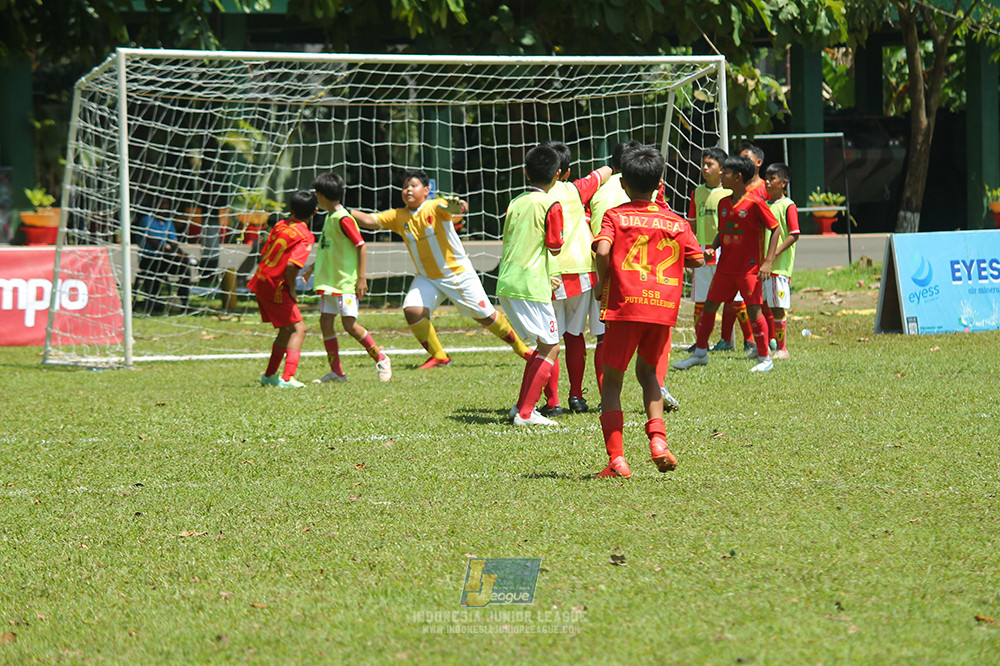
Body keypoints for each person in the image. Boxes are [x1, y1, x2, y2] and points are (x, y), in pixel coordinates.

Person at [592, 145, 704, 478]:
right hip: (661, 309)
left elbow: (602, 249)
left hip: (625, 306)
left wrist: (602, 283)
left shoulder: (615, 216)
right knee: (649, 374)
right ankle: (658, 442)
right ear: (659, 184)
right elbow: (697, 259)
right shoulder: (675, 221)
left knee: (612, 382)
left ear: (623, 183)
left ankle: (617, 461)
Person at [351, 169, 531, 368]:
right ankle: (440, 357)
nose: (408, 190)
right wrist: (342, 210)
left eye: (413, 186)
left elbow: (457, 210)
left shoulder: (435, 206)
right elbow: (369, 221)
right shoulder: (398, 216)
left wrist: (460, 206)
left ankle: (523, 350)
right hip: (427, 278)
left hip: (457, 273)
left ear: (426, 190)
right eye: (405, 187)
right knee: (412, 311)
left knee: (486, 316)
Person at [672, 155, 780, 373]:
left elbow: (775, 228)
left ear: (738, 177)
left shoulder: (755, 202)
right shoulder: (723, 203)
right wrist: (713, 247)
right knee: (710, 306)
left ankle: (764, 357)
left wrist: (768, 261)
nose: (722, 174)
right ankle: (700, 353)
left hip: (749, 269)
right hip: (725, 267)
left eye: (726, 172)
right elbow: (723, 231)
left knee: (754, 310)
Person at [539, 140, 612, 416]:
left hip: (550, 274)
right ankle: (576, 396)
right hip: (582, 272)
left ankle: (552, 402)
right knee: (574, 335)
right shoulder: (575, 189)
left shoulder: (536, 196)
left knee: (549, 339)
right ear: (565, 172)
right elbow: (604, 171)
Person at [497, 144, 565, 427]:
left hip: (508, 281)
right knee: (551, 347)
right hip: (530, 285)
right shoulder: (551, 204)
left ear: (526, 173)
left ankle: (522, 406)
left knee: (543, 346)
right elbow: (555, 245)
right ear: (558, 174)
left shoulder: (515, 202)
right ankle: (526, 414)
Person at [303, 172, 392, 383]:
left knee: (350, 325)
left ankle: (381, 359)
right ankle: (337, 372)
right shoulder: (329, 218)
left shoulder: (343, 218)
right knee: (325, 322)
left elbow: (361, 246)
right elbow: (329, 249)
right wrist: (312, 267)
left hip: (345, 283)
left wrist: (361, 278)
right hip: (330, 283)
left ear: (322, 195)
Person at [587, 140, 642, 401]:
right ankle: (657, 387)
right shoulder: (646, 191)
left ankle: (604, 396)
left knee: (603, 337)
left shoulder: (598, 188)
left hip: (603, 271)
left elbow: (589, 228)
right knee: (649, 334)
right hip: (640, 273)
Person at [248, 189, 317, 388]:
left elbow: (264, 253)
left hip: (261, 279)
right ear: (315, 211)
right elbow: (291, 265)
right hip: (276, 285)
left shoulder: (280, 225)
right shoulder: (306, 236)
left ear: (290, 209)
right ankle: (288, 377)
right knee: (299, 329)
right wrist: (292, 291)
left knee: (286, 329)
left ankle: (269, 376)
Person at [685, 147, 730, 350]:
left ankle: (743, 341)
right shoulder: (697, 193)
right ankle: (700, 342)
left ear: (721, 169)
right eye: (703, 164)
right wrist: (690, 251)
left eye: (710, 164)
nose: (704, 168)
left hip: (725, 250)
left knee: (734, 298)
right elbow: (691, 226)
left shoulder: (729, 193)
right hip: (702, 251)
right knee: (700, 299)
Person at [762, 162, 800, 359]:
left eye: (772, 179)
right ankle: (766, 345)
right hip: (762, 266)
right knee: (762, 305)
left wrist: (774, 254)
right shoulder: (765, 204)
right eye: (766, 179)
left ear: (784, 183)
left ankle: (782, 348)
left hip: (779, 267)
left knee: (777, 307)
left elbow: (794, 234)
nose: (767, 182)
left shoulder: (788, 206)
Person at [133, 198, 195, 315]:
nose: (163, 207)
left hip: (166, 259)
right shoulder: (147, 220)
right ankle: (152, 303)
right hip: (149, 259)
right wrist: (173, 254)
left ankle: (183, 303)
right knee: (159, 267)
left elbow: (174, 244)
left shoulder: (168, 222)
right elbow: (154, 244)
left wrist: (182, 255)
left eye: (165, 204)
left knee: (184, 266)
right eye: (160, 203)